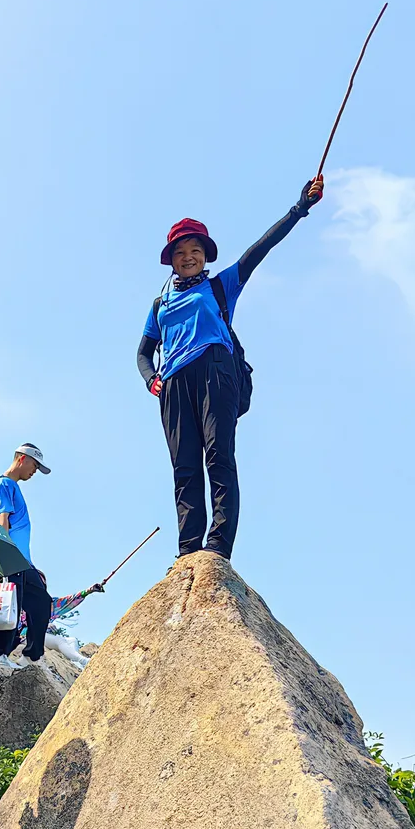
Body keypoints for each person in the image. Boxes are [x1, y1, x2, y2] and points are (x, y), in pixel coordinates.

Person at [137, 178, 324, 560]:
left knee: (218, 455)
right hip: (173, 382)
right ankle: (189, 549)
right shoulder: (160, 305)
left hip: (214, 370)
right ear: (170, 259)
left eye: (195, 250)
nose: (188, 256)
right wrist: (150, 378)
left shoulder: (222, 286)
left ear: (205, 255)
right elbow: (143, 352)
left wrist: (299, 208)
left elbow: (260, 249)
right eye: (180, 252)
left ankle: (218, 544)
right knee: (184, 467)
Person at [0, 444, 53, 673]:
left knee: (41, 602)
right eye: (34, 465)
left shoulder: (12, 486)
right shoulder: (3, 484)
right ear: (22, 459)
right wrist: (4, 556)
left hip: (23, 561)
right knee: (11, 606)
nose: (35, 471)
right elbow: (1, 519)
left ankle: (32, 654)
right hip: (11, 557)